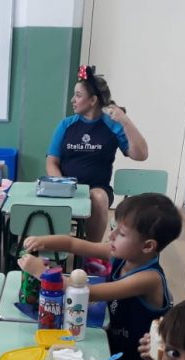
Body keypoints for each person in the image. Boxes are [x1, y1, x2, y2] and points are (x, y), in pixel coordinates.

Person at [19, 193, 182, 360]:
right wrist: (42, 241)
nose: (111, 236)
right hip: (108, 338)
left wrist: (42, 273)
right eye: (114, 228)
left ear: (147, 246)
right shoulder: (123, 255)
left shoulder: (149, 279)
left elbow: (87, 293)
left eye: (121, 234)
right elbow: (73, 244)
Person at [47, 65, 148, 242]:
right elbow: (51, 162)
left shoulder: (113, 125)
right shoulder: (66, 125)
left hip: (98, 189)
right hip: (66, 188)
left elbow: (141, 155)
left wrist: (125, 121)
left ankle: (92, 251)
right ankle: (57, 247)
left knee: (99, 197)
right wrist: (63, 186)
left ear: (93, 100)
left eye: (78, 95)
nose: (72, 100)